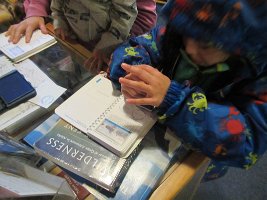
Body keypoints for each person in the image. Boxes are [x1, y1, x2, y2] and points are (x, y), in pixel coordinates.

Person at [109, 0, 267, 180]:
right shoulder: (176, 36)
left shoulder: (256, 77)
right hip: (151, 136)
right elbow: (137, 46)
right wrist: (136, 71)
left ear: (243, 48)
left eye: (206, 44)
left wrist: (176, 100)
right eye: (186, 32)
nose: (190, 48)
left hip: (197, 158)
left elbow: (249, 142)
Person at [5, 0, 157, 73]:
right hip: (73, 43)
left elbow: (144, 19)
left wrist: (110, 45)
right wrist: (37, 11)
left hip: (116, 50)